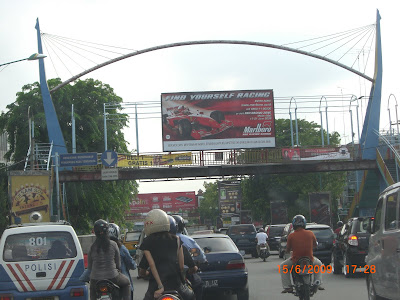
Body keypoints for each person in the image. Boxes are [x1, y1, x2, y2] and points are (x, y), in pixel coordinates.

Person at [139, 209, 194, 300]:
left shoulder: (147, 242)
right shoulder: (176, 239)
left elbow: (151, 265)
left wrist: (160, 286)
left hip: (155, 287)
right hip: (176, 285)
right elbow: (181, 266)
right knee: (191, 296)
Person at [87, 219, 131, 300]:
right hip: (113, 276)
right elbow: (118, 264)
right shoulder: (113, 244)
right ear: (107, 231)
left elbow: (89, 266)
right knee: (126, 283)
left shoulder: (92, 247)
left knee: (92, 293)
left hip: (95, 279)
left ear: (95, 232)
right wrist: (117, 270)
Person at [280, 215, 324, 294]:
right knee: (319, 264)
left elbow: (288, 249)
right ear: (304, 224)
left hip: (296, 260)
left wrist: (286, 251)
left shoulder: (291, 236)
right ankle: (318, 283)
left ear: (294, 225)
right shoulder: (310, 233)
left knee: (283, 266)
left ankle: (288, 287)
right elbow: (315, 245)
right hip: (310, 259)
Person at [108, 223, 137, 300]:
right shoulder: (121, 248)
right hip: (120, 278)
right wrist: (134, 265)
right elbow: (131, 264)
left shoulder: (100, 248)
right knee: (128, 287)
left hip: (104, 279)